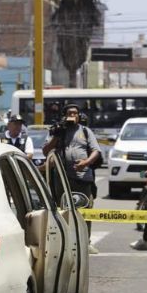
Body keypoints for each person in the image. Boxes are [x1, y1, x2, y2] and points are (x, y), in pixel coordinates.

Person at [43, 104, 102, 254]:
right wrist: (57, 135)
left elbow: (96, 151)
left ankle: (86, 242)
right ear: (64, 115)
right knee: (62, 209)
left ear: (79, 116)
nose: (72, 116)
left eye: (75, 113)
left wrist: (86, 162)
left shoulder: (85, 131)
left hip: (83, 177)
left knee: (85, 209)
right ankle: (63, 242)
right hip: (62, 178)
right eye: (69, 113)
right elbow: (46, 152)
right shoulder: (57, 131)